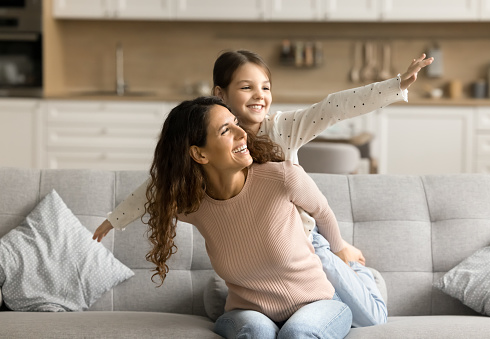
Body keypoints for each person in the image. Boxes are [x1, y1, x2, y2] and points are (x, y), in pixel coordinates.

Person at [94, 50, 433, 327]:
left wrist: (395, 85)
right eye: (246, 87)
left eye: (266, 87)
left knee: (368, 315)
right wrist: (116, 219)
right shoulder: (209, 135)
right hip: (248, 252)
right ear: (220, 95)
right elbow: (161, 184)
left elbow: (333, 108)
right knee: (233, 306)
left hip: (303, 244)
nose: (260, 95)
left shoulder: (283, 127)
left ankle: (357, 271)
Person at [96, 96, 354, 338]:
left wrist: (340, 247)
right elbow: (156, 189)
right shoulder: (193, 206)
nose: (242, 133)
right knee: (257, 333)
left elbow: (322, 211)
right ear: (199, 154)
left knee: (297, 334)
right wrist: (114, 219)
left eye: (235, 123)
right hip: (250, 314)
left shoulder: (282, 177)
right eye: (225, 130)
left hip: (318, 304)